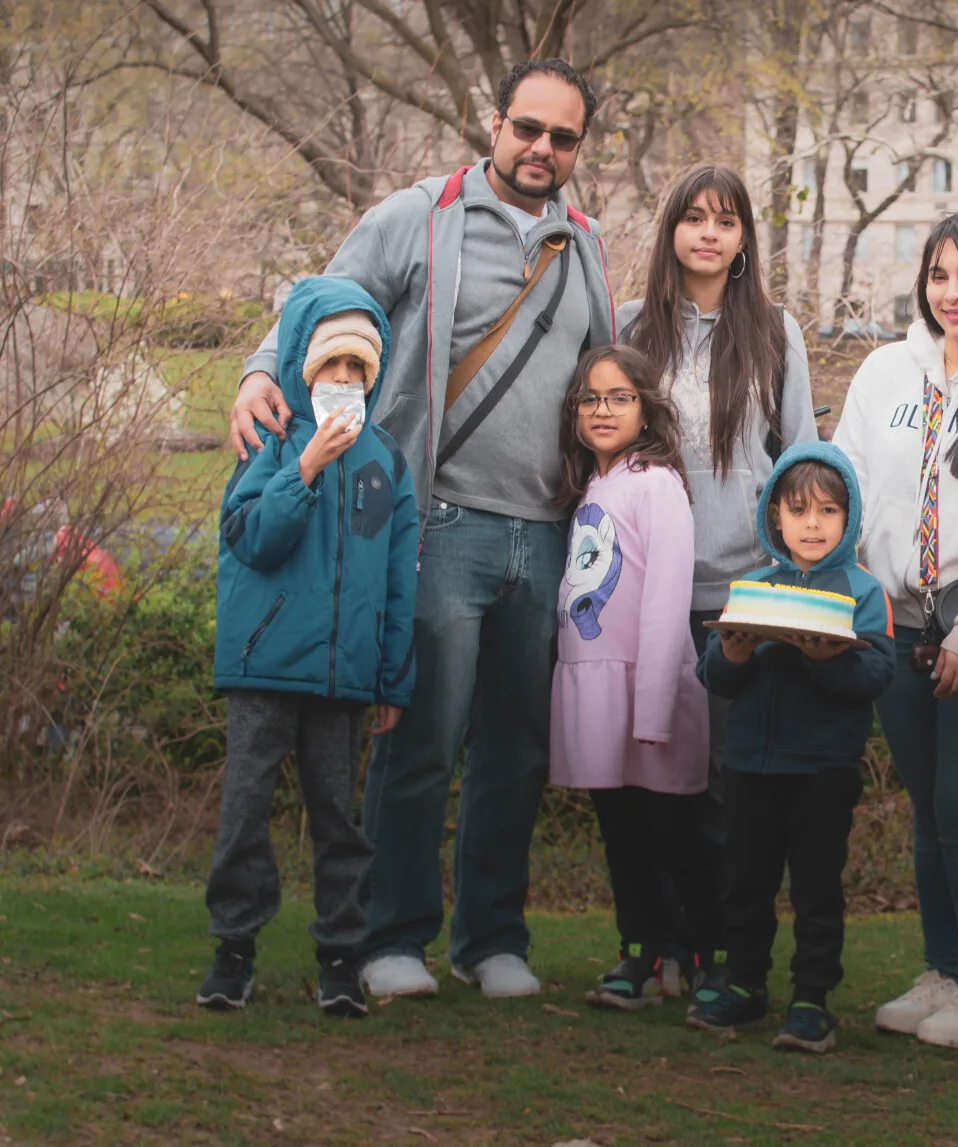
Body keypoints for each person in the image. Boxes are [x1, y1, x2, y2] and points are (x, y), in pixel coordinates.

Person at [228, 60, 614, 1001]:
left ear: (578, 149)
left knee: (516, 749)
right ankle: (391, 933)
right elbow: (315, 300)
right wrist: (254, 373)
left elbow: (607, 368)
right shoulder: (420, 217)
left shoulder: (587, 244)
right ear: (494, 123)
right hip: (435, 518)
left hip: (547, 532)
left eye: (562, 138)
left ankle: (491, 939)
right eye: (527, 128)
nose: (541, 150)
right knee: (420, 739)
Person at [615, 163, 816, 1003]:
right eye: (693, 218)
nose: (708, 232)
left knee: (729, 788)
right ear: (670, 232)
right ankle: (657, 944)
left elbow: (802, 455)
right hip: (643, 589)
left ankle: (730, 955)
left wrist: (800, 577)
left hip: (742, 594)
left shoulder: (775, 332)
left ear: (742, 240)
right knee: (646, 776)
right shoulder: (630, 326)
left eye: (725, 220)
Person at [833, 212, 958, 1049]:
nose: (954, 292)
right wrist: (848, 598)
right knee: (925, 805)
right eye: (940, 274)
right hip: (891, 611)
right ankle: (942, 968)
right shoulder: (885, 370)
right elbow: (842, 474)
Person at [204, 279, 417, 1019]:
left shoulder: (386, 462)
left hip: (345, 676)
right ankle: (234, 949)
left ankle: (340, 957)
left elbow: (397, 580)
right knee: (246, 811)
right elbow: (250, 538)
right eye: (332, 367)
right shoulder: (268, 440)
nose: (345, 382)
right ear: (302, 367)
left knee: (339, 819)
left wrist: (391, 676)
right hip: (264, 668)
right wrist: (304, 469)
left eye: (359, 369)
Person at [690, 443, 894, 1054]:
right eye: (798, 510)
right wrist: (732, 651)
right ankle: (746, 987)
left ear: (848, 518)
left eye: (827, 512)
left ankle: (811, 1001)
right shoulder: (750, 586)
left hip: (823, 770)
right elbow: (715, 678)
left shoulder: (863, 592)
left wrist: (827, 662)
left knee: (816, 889)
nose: (812, 524)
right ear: (774, 515)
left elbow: (874, 679)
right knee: (745, 882)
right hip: (750, 764)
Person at [544, 345, 715, 1012]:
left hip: (648, 691)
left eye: (620, 397)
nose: (604, 409)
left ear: (646, 408)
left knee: (675, 832)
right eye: (591, 398)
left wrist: (652, 711)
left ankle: (702, 954)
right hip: (595, 691)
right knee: (623, 833)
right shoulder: (592, 486)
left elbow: (666, 601)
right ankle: (640, 950)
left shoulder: (657, 484)